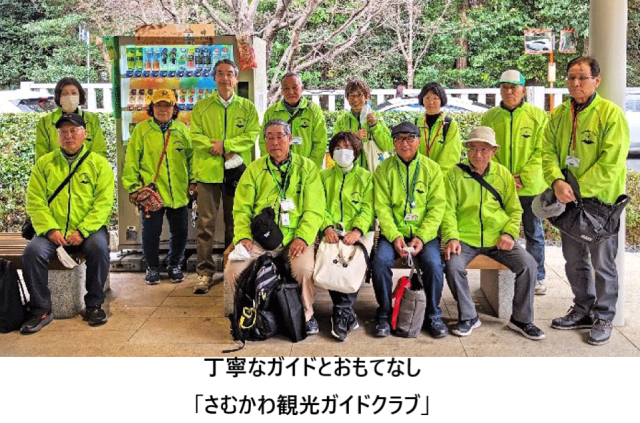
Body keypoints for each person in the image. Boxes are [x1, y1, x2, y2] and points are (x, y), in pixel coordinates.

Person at [542, 56, 630, 346]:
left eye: (582, 77)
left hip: (599, 207)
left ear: (597, 80)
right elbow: (547, 151)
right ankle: (582, 308)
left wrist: (575, 189)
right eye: (571, 78)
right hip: (568, 203)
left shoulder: (610, 114)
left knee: (603, 264)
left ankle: (604, 315)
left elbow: (612, 163)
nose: (575, 83)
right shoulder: (559, 114)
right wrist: (556, 180)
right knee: (574, 260)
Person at [442, 126, 545, 340]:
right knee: (452, 266)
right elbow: (448, 210)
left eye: (484, 149)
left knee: (529, 264)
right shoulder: (454, 175)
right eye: (473, 148)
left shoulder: (502, 174)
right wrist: (452, 237)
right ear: (467, 150)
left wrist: (509, 233)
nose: (478, 154)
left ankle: (522, 319)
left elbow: (514, 209)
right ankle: (469, 316)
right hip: (465, 238)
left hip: (498, 238)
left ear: (493, 151)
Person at [224, 119, 325, 335]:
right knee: (234, 268)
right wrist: (243, 236)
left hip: (294, 238)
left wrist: (303, 237)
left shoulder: (306, 168)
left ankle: (307, 315)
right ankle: (245, 316)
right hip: (260, 238)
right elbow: (241, 209)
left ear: (290, 139)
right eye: (269, 137)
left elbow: (315, 209)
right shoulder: (254, 170)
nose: (275, 142)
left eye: (280, 136)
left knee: (304, 269)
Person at [20, 112, 114, 334]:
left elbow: (103, 203)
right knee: (32, 253)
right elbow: (35, 201)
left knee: (99, 249)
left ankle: (93, 304)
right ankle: (41, 309)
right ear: (58, 135)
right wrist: (50, 229)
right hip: (52, 231)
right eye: (63, 131)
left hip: (87, 230)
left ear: (84, 134)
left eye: (73, 130)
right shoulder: (44, 164)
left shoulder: (99, 164)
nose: (68, 136)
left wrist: (82, 231)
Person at [190, 59, 260, 294]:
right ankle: (204, 273)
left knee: (236, 224)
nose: (225, 78)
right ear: (214, 78)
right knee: (205, 225)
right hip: (207, 172)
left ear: (236, 78)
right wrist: (216, 147)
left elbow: (252, 135)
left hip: (236, 173)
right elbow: (195, 136)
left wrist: (227, 144)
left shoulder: (246, 107)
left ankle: (233, 268)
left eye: (229, 74)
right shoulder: (202, 107)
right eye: (220, 73)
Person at [372, 121, 446, 338]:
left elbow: (437, 207)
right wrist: (394, 236)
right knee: (380, 263)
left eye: (409, 138)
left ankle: (433, 314)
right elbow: (382, 207)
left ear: (418, 140)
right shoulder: (384, 169)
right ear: (393, 143)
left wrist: (422, 237)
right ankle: (384, 314)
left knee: (433, 264)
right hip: (394, 232)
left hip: (424, 234)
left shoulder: (432, 169)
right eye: (399, 139)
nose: (404, 144)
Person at [481, 70, 549, 295]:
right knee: (500, 229)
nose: (509, 92)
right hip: (499, 186)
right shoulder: (490, 117)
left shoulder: (538, 116)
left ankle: (537, 276)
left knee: (534, 232)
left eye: (514, 87)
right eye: (505, 87)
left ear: (523, 90)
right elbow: (486, 149)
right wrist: (504, 177)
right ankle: (507, 271)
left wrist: (524, 176)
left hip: (530, 187)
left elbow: (542, 151)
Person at [122, 89, 193, 285]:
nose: (163, 109)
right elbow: (131, 161)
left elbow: (191, 158)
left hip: (178, 191)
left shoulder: (181, 130)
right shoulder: (142, 130)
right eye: (159, 105)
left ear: (174, 108)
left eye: (167, 105)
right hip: (151, 193)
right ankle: (152, 268)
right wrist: (134, 187)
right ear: (151, 108)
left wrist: (193, 182)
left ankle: (174, 265)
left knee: (180, 232)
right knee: (151, 232)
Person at [319, 131, 374, 341]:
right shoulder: (323, 177)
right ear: (332, 152)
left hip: (358, 231)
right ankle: (345, 314)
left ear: (356, 152)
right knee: (330, 258)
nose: (343, 152)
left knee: (354, 260)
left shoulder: (366, 178)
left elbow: (368, 208)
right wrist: (327, 228)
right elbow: (318, 205)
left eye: (348, 148)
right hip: (332, 231)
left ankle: (341, 311)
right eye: (339, 148)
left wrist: (358, 230)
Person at [259, 72, 327, 169]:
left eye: (295, 87)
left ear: (302, 88)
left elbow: (320, 143)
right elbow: (263, 140)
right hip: (278, 168)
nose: (291, 92)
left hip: (306, 168)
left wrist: (310, 168)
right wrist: (272, 165)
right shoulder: (272, 112)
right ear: (282, 91)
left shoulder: (313, 111)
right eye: (286, 88)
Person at [35, 77, 107, 161]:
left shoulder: (92, 120)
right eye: (65, 94)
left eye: (74, 93)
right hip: (55, 172)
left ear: (80, 96)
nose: (70, 97)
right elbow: (41, 158)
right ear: (59, 97)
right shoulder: (45, 122)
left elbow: (99, 153)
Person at [332, 79, 393, 172]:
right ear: (347, 98)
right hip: (350, 173)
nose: (355, 99)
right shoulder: (342, 120)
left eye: (359, 95)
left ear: (366, 96)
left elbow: (388, 146)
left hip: (374, 172)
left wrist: (374, 126)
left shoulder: (376, 117)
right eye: (352, 95)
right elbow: (334, 147)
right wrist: (353, 137)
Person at [416, 82, 462, 174]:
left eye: (435, 98)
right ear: (422, 100)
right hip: (419, 177)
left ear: (441, 100)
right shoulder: (415, 124)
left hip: (442, 178)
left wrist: (437, 177)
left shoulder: (449, 125)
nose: (431, 102)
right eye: (427, 98)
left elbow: (450, 156)